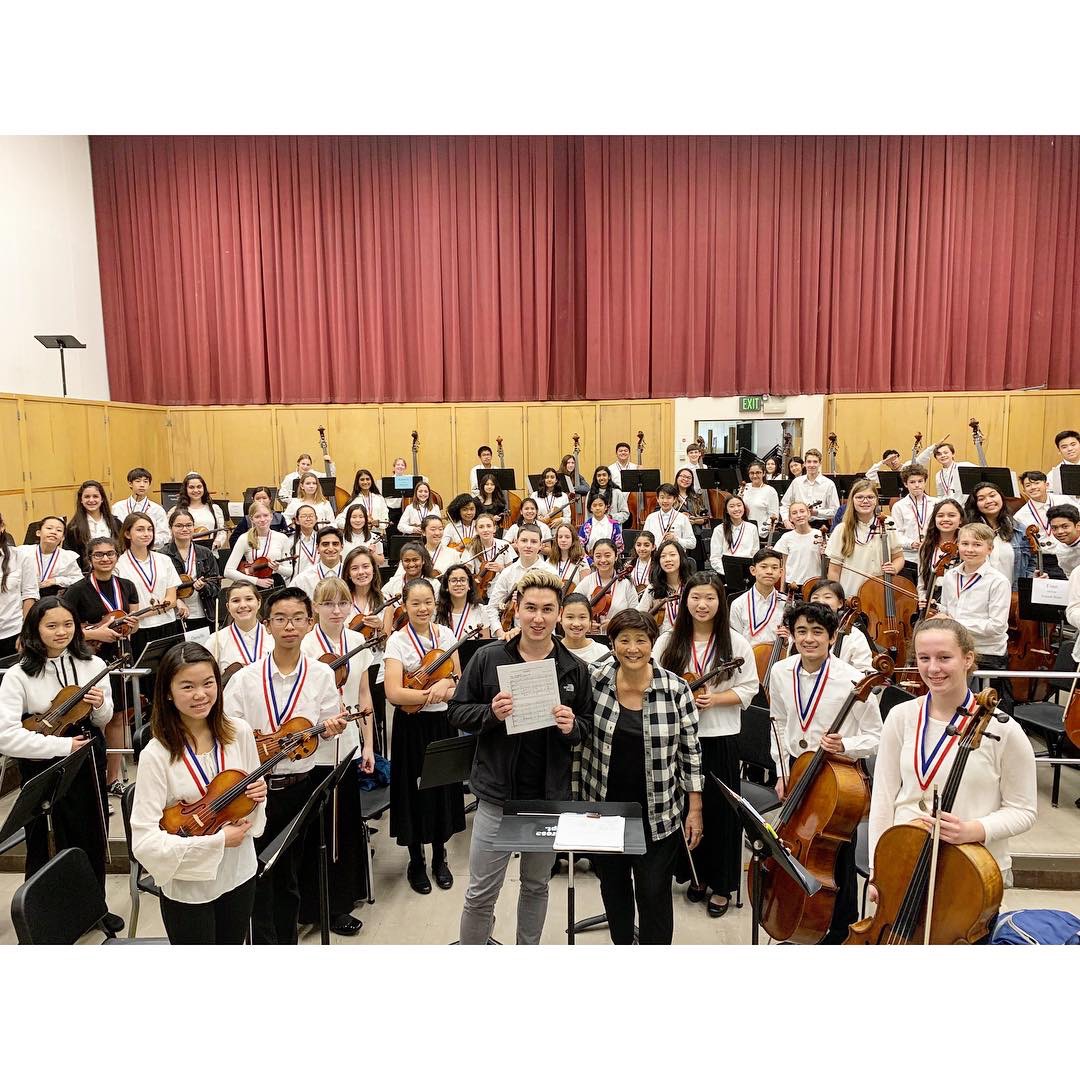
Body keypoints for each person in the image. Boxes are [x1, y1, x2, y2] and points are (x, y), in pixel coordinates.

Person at [448, 569, 593, 943]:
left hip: (545, 799)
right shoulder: (488, 657)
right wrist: (490, 714)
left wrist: (572, 725)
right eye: (530, 608)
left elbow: (587, 727)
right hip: (497, 796)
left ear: (560, 613)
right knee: (481, 894)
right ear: (516, 608)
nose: (538, 618)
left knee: (536, 885)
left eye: (548, 609)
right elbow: (457, 711)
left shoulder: (574, 668)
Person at [867, 618, 1037, 918]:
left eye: (944, 658)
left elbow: (1024, 811)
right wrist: (876, 868)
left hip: (970, 867)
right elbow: (883, 797)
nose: (933, 668)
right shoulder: (901, 716)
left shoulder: (1005, 730)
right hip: (903, 859)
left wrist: (973, 830)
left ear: (967, 659)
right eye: (924, 658)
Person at [223, 587, 346, 944]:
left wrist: (331, 729)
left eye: (296, 618)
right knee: (256, 875)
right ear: (267, 624)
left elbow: (323, 731)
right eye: (280, 618)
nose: (288, 626)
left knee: (289, 876)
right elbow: (228, 732)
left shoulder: (321, 675)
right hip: (254, 791)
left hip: (299, 788)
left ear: (309, 623)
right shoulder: (246, 677)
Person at [579, 608, 703, 945]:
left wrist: (695, 809)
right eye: (624, 640)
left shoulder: (675, 690)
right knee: (614, 888)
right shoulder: (595, 680)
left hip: (659, 810)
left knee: (653, 892)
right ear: (612, 643)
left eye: (641, 640)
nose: (632, 648)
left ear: (652, 643)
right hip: (605, 809)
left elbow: (690, 753)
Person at [0, 596, 123, 933]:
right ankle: (44, 913)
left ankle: (94, 907)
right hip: (41, 761)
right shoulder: (17, 675)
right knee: (43, 838)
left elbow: (104, 719)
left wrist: (98, 707)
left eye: (67, 624)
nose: (61, 632)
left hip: (86, 755)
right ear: (35, 629)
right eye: (51, 625)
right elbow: (6, 737)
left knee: (91, 833)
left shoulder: (92, 665)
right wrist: (61, 745)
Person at [130, 642, 267, 944]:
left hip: (239, 872)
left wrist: (258, 797)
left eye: (208, 683)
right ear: (167, 692)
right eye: (187, 686)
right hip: (190, 886)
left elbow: (251, 808)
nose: (200, 694)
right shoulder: (157, 753)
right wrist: (217, 842)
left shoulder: (239, 732)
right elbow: (144, 842)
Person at [768, 601, 883, 943]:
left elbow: (877, 737)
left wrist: (845, 745)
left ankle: (837, 931)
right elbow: (779, 724)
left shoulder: (851, 679)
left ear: (833, 637)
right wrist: (779, 771)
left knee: (835, 857)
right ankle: (796, 919)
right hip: (796, 769)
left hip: (835, 778)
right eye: (801, 631)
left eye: (817, 632)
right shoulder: (780, 672)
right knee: (794, 847)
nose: (809, 639)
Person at [656, 573, 757, 917]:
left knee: (722, 814)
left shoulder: (736, 643)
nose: (703, 605)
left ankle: (722, 884)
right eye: (696, 597)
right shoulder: (669, 640)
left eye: (710, 598)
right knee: (685, 809)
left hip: (720, 737)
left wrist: (715, 699)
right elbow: (653, 682)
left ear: (721, 602)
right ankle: (695, 876)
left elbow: (749, 689)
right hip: (678, 740)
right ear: (685, 600)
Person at [299, 577, 376, 935]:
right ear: (315, 607)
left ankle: (343, 899)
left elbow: (363, 694)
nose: (336, 611)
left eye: (343, 603)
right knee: (317, 828)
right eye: (328, 604)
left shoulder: (358, 641)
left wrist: (370, 744)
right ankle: (316, 905)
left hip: (348, 743)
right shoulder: (305, 643)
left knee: (344, 823)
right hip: (315, 744)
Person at [383, 578, 466, 894]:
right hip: (411, 728)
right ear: (405, 605)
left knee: (442, 789)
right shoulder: (397, 642)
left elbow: (458, 681)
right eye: (415, 603)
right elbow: (393, 692)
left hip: (441, 724)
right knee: (412, 792)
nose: (422, 608)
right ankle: (416, 859)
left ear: (435, 603)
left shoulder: (446, 635)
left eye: (427, 602)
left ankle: (439, 858)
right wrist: (430, 694)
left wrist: (446, 688)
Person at [62, 536, 138, 790]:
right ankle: (94, 777)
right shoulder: (76, 590)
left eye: (110, 554)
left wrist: (131, 627)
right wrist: (96, 634)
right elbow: (65, 630)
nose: (105, 559)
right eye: (99, 555)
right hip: (89, 661)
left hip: (120, 657)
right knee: (96, 719)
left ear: (117, 556)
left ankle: (112, 779)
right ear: (90, 559)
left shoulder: (126, 585)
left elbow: (133, 621)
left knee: (118, 718)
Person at [932, 523, 1011, 680]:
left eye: (977, 545)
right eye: (965, 544)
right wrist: (934, 608)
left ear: (989, 549)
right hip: (956, 648)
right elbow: (947, 609)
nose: (969, 549)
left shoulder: (998, 581)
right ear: (958, 545)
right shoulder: (950, 576)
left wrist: (954, 623)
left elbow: (997, 626)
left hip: (986, 653)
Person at [114, 511, 181, 684]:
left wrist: (147, 611)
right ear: (128, 533)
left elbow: (172, 599)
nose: (146, 534)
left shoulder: (164, 560)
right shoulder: (119, 565)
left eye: (150, 529)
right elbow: (125, 608)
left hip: (168, 626)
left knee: (170, 676)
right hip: (140, 630)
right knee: (147, 681)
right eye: (140, 529)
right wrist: (149, 613)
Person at [341, 546, 390, 750]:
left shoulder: (384, 600)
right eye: (355, 568)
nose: (361, 572)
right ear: (348, 573)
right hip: (348, 669)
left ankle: (374, 762)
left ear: (373, 569)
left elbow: (386, 642)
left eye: (365, 567)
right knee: (351, 720)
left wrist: (380, 629)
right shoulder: (342, 602)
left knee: (374, 719)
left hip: (375, 668)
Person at [825, 479, 904, 599]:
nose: (865, 501)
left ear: (876, 500)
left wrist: (895, 567)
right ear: (852, 500)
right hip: (851, 597)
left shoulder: (887, 523)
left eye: (870, 497)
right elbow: (834, 571)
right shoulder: (842, 529)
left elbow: (898, 557)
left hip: (881, 596)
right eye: (859, 497)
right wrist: (836, 598)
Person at [486, 524, 553, 637]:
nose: (528, 545)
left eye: (533, 541)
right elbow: (492, 607)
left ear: (541, 545)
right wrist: (501, 633)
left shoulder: (550, 573)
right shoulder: (507, 573)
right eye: (524, 540)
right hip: (515, 636)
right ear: (516, 543)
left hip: (545, 635)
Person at [163, 508, 222, 635]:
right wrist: (176, 601)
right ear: (171, 527)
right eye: (179, 526)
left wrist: (204, 587)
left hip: (203, 614)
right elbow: (159, 589)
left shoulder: (205, 552)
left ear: (193, 527)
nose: (184, 529)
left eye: (188, 525)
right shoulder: (162, 555)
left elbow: (216, 586)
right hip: (175, 616)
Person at [964, 481, 1034, 587]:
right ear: (975, 504)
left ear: (1001, 497)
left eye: (992, 495)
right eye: (981, 499)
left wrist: (1025, 585)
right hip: (977, 593)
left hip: (1012, 594)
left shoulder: (1019, 529)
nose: (989, 501)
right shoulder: (968, 530)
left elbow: (1031, 562)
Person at [224, 502, 293, 590]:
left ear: (271, 516)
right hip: (252, 585)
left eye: (266, 515)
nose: (262, 519)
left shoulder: (282, 538)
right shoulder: (244, 538)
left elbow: (289, 572)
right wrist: (256, 581)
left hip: (276, 584)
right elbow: (228, 571)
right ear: (251, 519)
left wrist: (278, 568)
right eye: (257, 516)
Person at [808, 580, 874, 671]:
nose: (820, 602)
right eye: (815, 598)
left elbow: (864, 670)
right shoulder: (803, 632)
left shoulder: (854, 635)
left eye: (827, 597)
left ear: (840, 603)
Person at [206, 582, 270, 675]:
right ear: (228, 607)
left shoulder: (274, 635)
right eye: (236, 601)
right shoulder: (216, 640)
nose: (243, 605)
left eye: (249, 599)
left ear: (259, 603)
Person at [889, 464, 938, 583]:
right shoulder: (899, 506)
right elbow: (896, 535)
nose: (917, 485)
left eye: (920, 481)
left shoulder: (936, 503)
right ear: (906, 484)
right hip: (909, 558)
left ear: (925, 482)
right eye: (912, 482)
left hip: (931, 557)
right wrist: (911, 543)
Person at [729, 547, 787, 646]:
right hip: (747, 659)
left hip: (778, 658)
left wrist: (787, 640)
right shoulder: (738, 604)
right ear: (753, 570)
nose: (769, 571)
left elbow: (794, 638)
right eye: (764, 567)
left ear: (781, 572)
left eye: (774, 567)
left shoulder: (786, 603)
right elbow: (734, 640)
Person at [636, 538, 693, 634]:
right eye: (663, 556)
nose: (668, 559)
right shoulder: (653, 588)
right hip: (661, 641)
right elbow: (639, 615)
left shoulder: (692, 586)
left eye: (672, 555)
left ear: (681, 557)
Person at [579, 538, 636, 632]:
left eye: (607, 555)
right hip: (592, 638)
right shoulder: (587, 581)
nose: (603, 560)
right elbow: (572, 607)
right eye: (598, 556)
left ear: (616, 556)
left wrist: (615, 624)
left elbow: (635, 614)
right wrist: (586, 623)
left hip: (619, 635)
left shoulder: (626, 584)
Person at [18, 515, 82, 599]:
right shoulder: (22, 552)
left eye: (59, 530)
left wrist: (56, 580)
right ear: (38, 533)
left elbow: (79, 580)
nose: (53, 532)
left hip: (54, 598)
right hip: (23, 596)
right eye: (49, 528)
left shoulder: (67, 556)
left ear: (62, 537)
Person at [917, 498, 965, 605]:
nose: (945, 519)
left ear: (961, 519)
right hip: (933, 601)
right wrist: (924, 599)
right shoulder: (926, 547)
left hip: (960, 602)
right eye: (940, 515)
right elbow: (921, 583)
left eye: (952, 515)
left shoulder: (966, 547)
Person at [383, 542, 442, 630]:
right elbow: (381, 600)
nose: (411, 564)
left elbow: (436, 612)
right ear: (401, 562)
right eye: (407, 560)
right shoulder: (394, 582)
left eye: (415, 560)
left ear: (423, 561)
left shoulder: (434, 584)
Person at [65, 480, 123, 568]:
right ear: (81, 499)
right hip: (87, 575)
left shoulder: (116, 523)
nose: (91, 500)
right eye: (87, 497)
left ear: (102, 499)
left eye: (95, 496)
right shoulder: (74, 528)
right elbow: (71, 558)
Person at [112, 467, 170, 548]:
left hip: (150, 551)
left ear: (149, 484)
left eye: (145, 481)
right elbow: (113, 533)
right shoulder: (117, 507)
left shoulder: (157, 509)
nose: (142, 485)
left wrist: (144, 540)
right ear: (130, 483)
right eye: (138, 481)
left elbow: (165, 536)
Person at [773, 502, 824, 589]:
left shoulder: (818, 534)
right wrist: (782, 590)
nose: (799, 515)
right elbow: (784, 566)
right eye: (794, 513)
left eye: (802, 511)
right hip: (792, 584)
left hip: (814, 583)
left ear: (808, 513)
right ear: (790, 518)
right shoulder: (786, 537)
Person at [434, 563, 491, 640]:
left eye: (463, 580)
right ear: (446, 586)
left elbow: (484, 647)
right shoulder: (436, 611)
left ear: (469, 586)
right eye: (453, 580)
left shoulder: (481, 610)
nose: (459, 584)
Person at [781, 449, 839, 523]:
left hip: (820, 525)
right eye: (809, 462)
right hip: (798, 524)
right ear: (804, 464)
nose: (811, 465)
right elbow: (785, 505)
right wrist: (786, 521)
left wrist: (816, 512)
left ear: (820, 463)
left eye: (815, 462)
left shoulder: (829, 484)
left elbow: (835, 511)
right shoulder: (796, 482)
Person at [175, 472, 228, 549]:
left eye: (199, 487)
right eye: (191, 487)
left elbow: (221, 531)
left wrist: (218, 542)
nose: (196, 490)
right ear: (185, 489)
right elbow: (170, 533)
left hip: (210, 553)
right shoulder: (176, 510)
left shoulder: (214, 509)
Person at [708, 494, 759, 574]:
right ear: (726, 510)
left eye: (739, 505)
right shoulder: (719, 529)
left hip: (747, 572)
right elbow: (715, 558)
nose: (736, 509)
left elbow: (755, 553)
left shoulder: (752, 528)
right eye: (731, 506)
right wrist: (728, 572)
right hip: (725, 573)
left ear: (744, 508)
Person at [291, 526, 346, 598]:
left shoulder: (350, 574)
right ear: (317, 548)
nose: (330, 548)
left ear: (342, 547)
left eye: (335, 544)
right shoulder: (304, 579)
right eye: (325, 544)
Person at [559, 592, 614, 664]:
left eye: (582, 617)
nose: (576, 624)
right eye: (570, 617)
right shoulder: (553, 651)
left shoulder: (602, 651)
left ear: (590, 620)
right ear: (560, 618)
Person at [1014, 470, 1063, 545]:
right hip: (1041, 554)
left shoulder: (1063, 501)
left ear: (1047, 485)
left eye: (1036, 483)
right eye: (1028, 485)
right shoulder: (1019, 516)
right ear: (1024, 491)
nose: (1033, 487)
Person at [643, 483, 696, 550]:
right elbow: (644, 540)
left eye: (669, 498)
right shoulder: (651, 518)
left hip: (676, 557)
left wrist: (676, 539)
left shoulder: (682, 518)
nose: (665, 501)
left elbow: (692, 543)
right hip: (655, 557)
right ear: (657, 499)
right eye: (662, 497)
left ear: (674, 499)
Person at [741, 460, 781, 538]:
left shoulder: (770, 491)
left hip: (760, 533)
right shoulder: (744, 487)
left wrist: (763, 531)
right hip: (743, 531)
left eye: (758, 472)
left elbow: (774, 515)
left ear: (764, 473)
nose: (755, 476)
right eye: (752, 473)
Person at [549, 523, 588, 593]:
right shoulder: (550, 561)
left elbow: (586, 589)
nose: (563, 540)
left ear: (573, 539)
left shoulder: (582, 561)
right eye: (560, 537)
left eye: (567, 537)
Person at [1047, 429, 1080, 508]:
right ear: (1059, 451)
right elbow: (1051, 500)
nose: (1070, 449)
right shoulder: (1053, 475)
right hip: (1069, 515)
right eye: (1064, 447)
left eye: (1073, 444)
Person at [288, 504, 322, 577]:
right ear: (297, 520)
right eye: (304, 516)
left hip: (320, 582)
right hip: (298, 583)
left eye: (311, 516)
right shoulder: (290, 541)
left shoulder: (322, 538)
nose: (308, 519)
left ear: (316, 519)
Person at [1048, 504, 1080, 577]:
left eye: (1065, 526)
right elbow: (1069, 575)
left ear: (1078, 526)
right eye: (1054, 528)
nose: (1060, 532)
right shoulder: (1060, 549)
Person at [628, 529, 656, 596]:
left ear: (653, 547)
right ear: (635, 546)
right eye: (638, 545)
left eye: (646, 545)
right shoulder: (629, 565)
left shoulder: (657, 565)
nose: (642, 548)